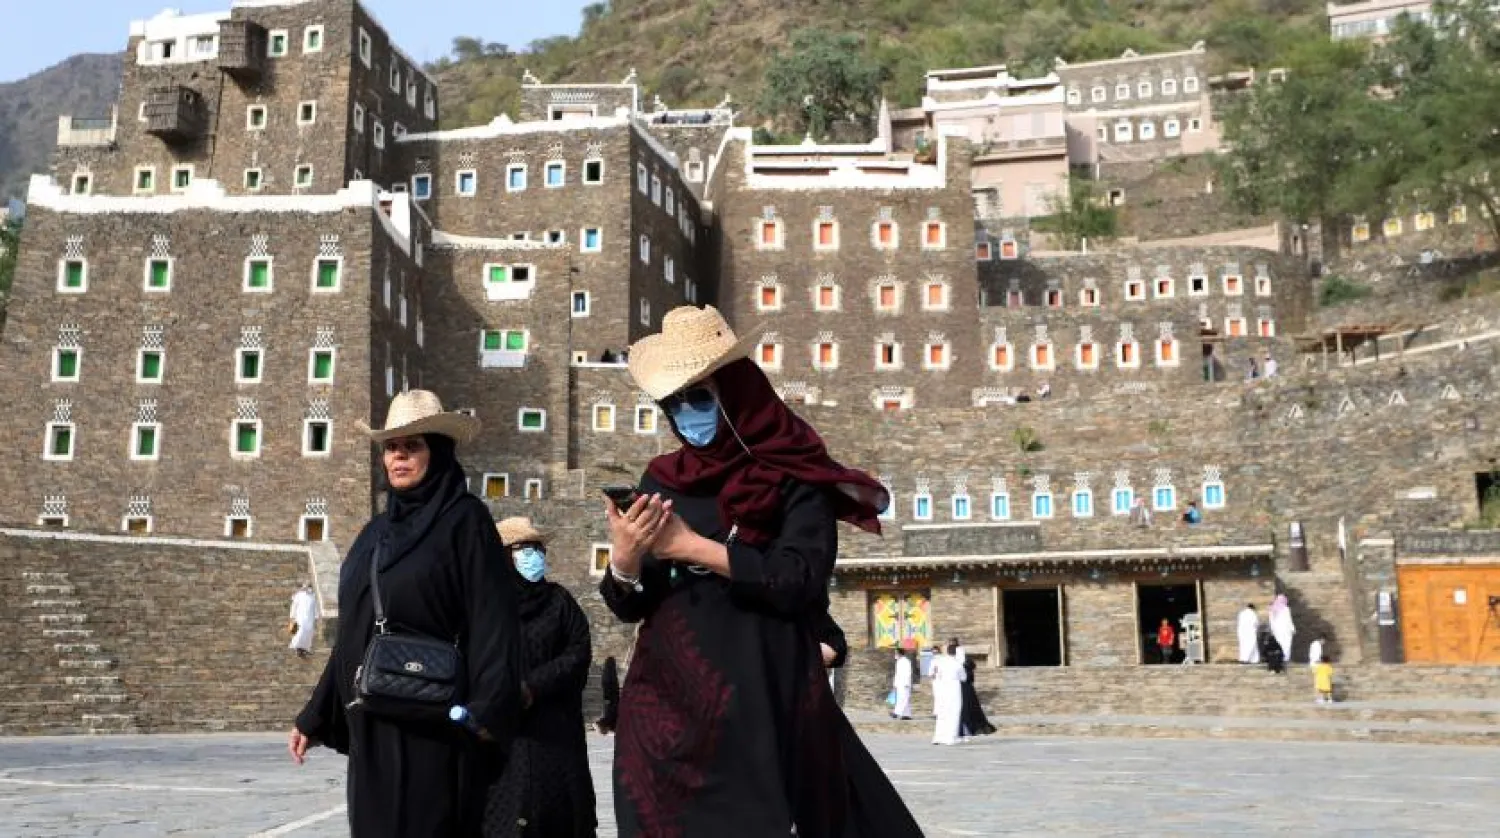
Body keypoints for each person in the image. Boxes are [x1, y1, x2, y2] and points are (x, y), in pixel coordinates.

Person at [600, 306, 921, 837]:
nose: (686, 414)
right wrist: (626, 560)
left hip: (762, 688)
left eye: (699, 397)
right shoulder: (662, 478)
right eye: (673, 403)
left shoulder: (794, 474)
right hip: (666, 702)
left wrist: (693, 547)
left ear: (736, 390)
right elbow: (631, 601)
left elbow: (797, 577)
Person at [290, 390, 523, 838]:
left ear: (438, 450)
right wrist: (315, 715)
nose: (399, 456)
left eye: (412, 446)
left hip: (436, 722)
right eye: (391, 447)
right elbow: (355, 633)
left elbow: (493, 618)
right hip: (375, 717)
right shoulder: (374, 534)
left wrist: (485, 714)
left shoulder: (465, 520)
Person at [485, 517, 596, 838]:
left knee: (560, 814)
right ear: (504, 555)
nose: (534, 555)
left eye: (538, 548)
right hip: (505, 735)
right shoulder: (487, 605)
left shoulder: (560, 601)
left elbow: (577, 653)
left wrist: (533, 686)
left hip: (556, 732)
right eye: (524, 548)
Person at [930, 643, 964, 745]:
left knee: (942, 713)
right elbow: (963, 677)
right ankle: (950, 737)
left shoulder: (941, 662)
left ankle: (938, 737)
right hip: (954, 688)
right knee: (953, 712)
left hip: (942, 688)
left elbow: (936, 674)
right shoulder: (957, 664)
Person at [958, 654, 996, 737]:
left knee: (967, 709)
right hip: (968, 689)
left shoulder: (962, 665)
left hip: (964, 689)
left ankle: (969, 728)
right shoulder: (966, 664)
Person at [287, 583, 320, 659]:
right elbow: (294, 605)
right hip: (300, 617)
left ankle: (305, 649)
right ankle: (298, 648)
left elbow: (315, 607)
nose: (309, 589)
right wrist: (292, 616)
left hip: (310, 618)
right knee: (300, 632)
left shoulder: (313, 596)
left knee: (308, 633)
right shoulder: (299, 595)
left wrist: (316, 616)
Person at [594, 657, 620, 735]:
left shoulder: (611, 723)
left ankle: (610, 661)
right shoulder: (610, 721)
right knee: (609, 679)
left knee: (609, 679)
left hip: (611, 694)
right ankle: (610, 661)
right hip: (611, 693)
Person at [1269, 593, 1296, 665]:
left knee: (1279, 644)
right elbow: (1288, 620)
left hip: (1277, 631)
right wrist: (1292, 628)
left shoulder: (1272, 609)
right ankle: (1285, 658)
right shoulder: (1286, 609)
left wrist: (1272, 630)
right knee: (1286, 644)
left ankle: (1278, 657)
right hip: (1286, 630)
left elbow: (1271, 622)